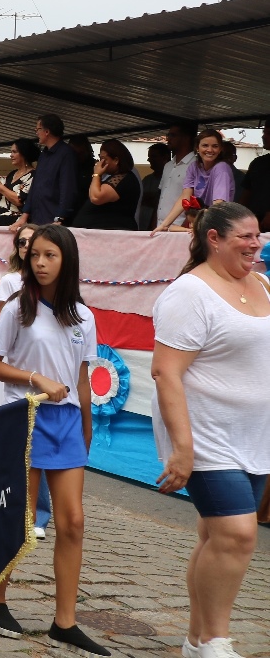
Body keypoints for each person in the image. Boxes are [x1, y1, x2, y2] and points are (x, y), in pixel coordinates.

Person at [0, 225, 109, 655]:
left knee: (73, 522)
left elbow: (82, 379)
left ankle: (65, 622)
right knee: (23, 518)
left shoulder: (84, 316)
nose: (40, 262)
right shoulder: (18, 309)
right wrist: (35, 378)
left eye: (50, 255)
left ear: (66, 259)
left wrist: (86, 431)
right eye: (35, 254)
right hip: (26, 418)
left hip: (68, 425)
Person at [151, 202, 270, 658]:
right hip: (207, 436)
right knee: (238, 535)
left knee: (214, 536)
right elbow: (166, 372)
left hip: (254, 436)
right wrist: (183, 449)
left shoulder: (261, 282)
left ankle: (196, 640)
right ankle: (218, 642)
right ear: (214, 239)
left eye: (258, 235)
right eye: (245, 236)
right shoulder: (189, 293)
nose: (255, 244)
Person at [156, 129, 236, 234]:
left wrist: (202, 227)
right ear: (197, 148)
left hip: (217, 225)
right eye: (205, 145)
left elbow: (218, 204)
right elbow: (185, 197)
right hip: (201, 223)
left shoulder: (221, 168)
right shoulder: (193, 167)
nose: (210, 150)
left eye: (215, 146)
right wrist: (164, 224)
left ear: (220, 149)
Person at [19, 114, 80, 227]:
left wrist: (60, 217)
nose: (36, 132)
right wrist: (25, 215)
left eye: (37, 129)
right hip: (38, 217)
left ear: (46, 131)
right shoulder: (44, 154)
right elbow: (35, 185)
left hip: (54, 219)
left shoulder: (66, 154)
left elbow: (68, 188)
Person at [73, 139, 142, 231]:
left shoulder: (124, 178)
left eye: (104, 159)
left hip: (112, 234)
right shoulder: (114, 177)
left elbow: (96, 197)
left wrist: (96, 174)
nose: (100, 163)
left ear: (116, 160)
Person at [156, 121, 198, 231]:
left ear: (186, 138)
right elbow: (161, 198)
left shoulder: (196, 165)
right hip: (160, 226)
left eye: (173, 135)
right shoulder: (168, 166)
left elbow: (195, 198)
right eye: (168, 135)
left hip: (181, 229)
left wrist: (187, 224)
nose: (168, 139)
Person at [0, 139, 40, 228]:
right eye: (11, 152)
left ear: (24, 153)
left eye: (14, 152)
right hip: (0, 221)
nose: (11, 155)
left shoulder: (33, 175)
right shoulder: (11, 174)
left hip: (16, 223)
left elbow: (19, 201)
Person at [0, 224, 38, 313]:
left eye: (32, 240)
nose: (26, 245)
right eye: (22, 242)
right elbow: (4, 321)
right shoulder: (8, 280)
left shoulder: (50, 279)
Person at [241, 125, 270, 231]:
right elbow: (246, 193)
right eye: (264, 133)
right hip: (254, 223)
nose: (264, 137)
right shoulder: (257, 163)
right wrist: (238, 214)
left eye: (269, 134)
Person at [139, 142, 172, 232]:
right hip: (142, 227)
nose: (149, 160)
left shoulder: (171, 180)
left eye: (153, 156)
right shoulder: (147, 180)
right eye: (149, 157)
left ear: (165, 157)